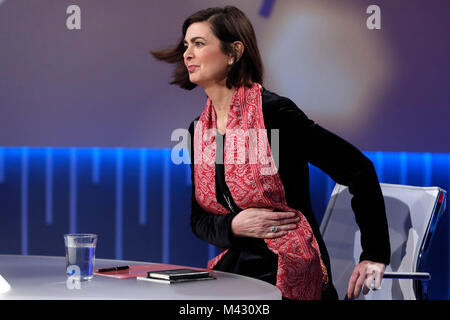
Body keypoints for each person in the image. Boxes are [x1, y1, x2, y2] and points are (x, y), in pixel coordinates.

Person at [151, 6, 390, 300]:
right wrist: (234, 225)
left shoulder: (274, 114)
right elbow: (199, 220)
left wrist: (374, 254)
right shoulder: (199, 129)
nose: (187, 53)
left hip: (290, 265)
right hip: (237, 268)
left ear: (233, 53)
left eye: (199, 44)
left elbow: (357, 169)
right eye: (186, 45)